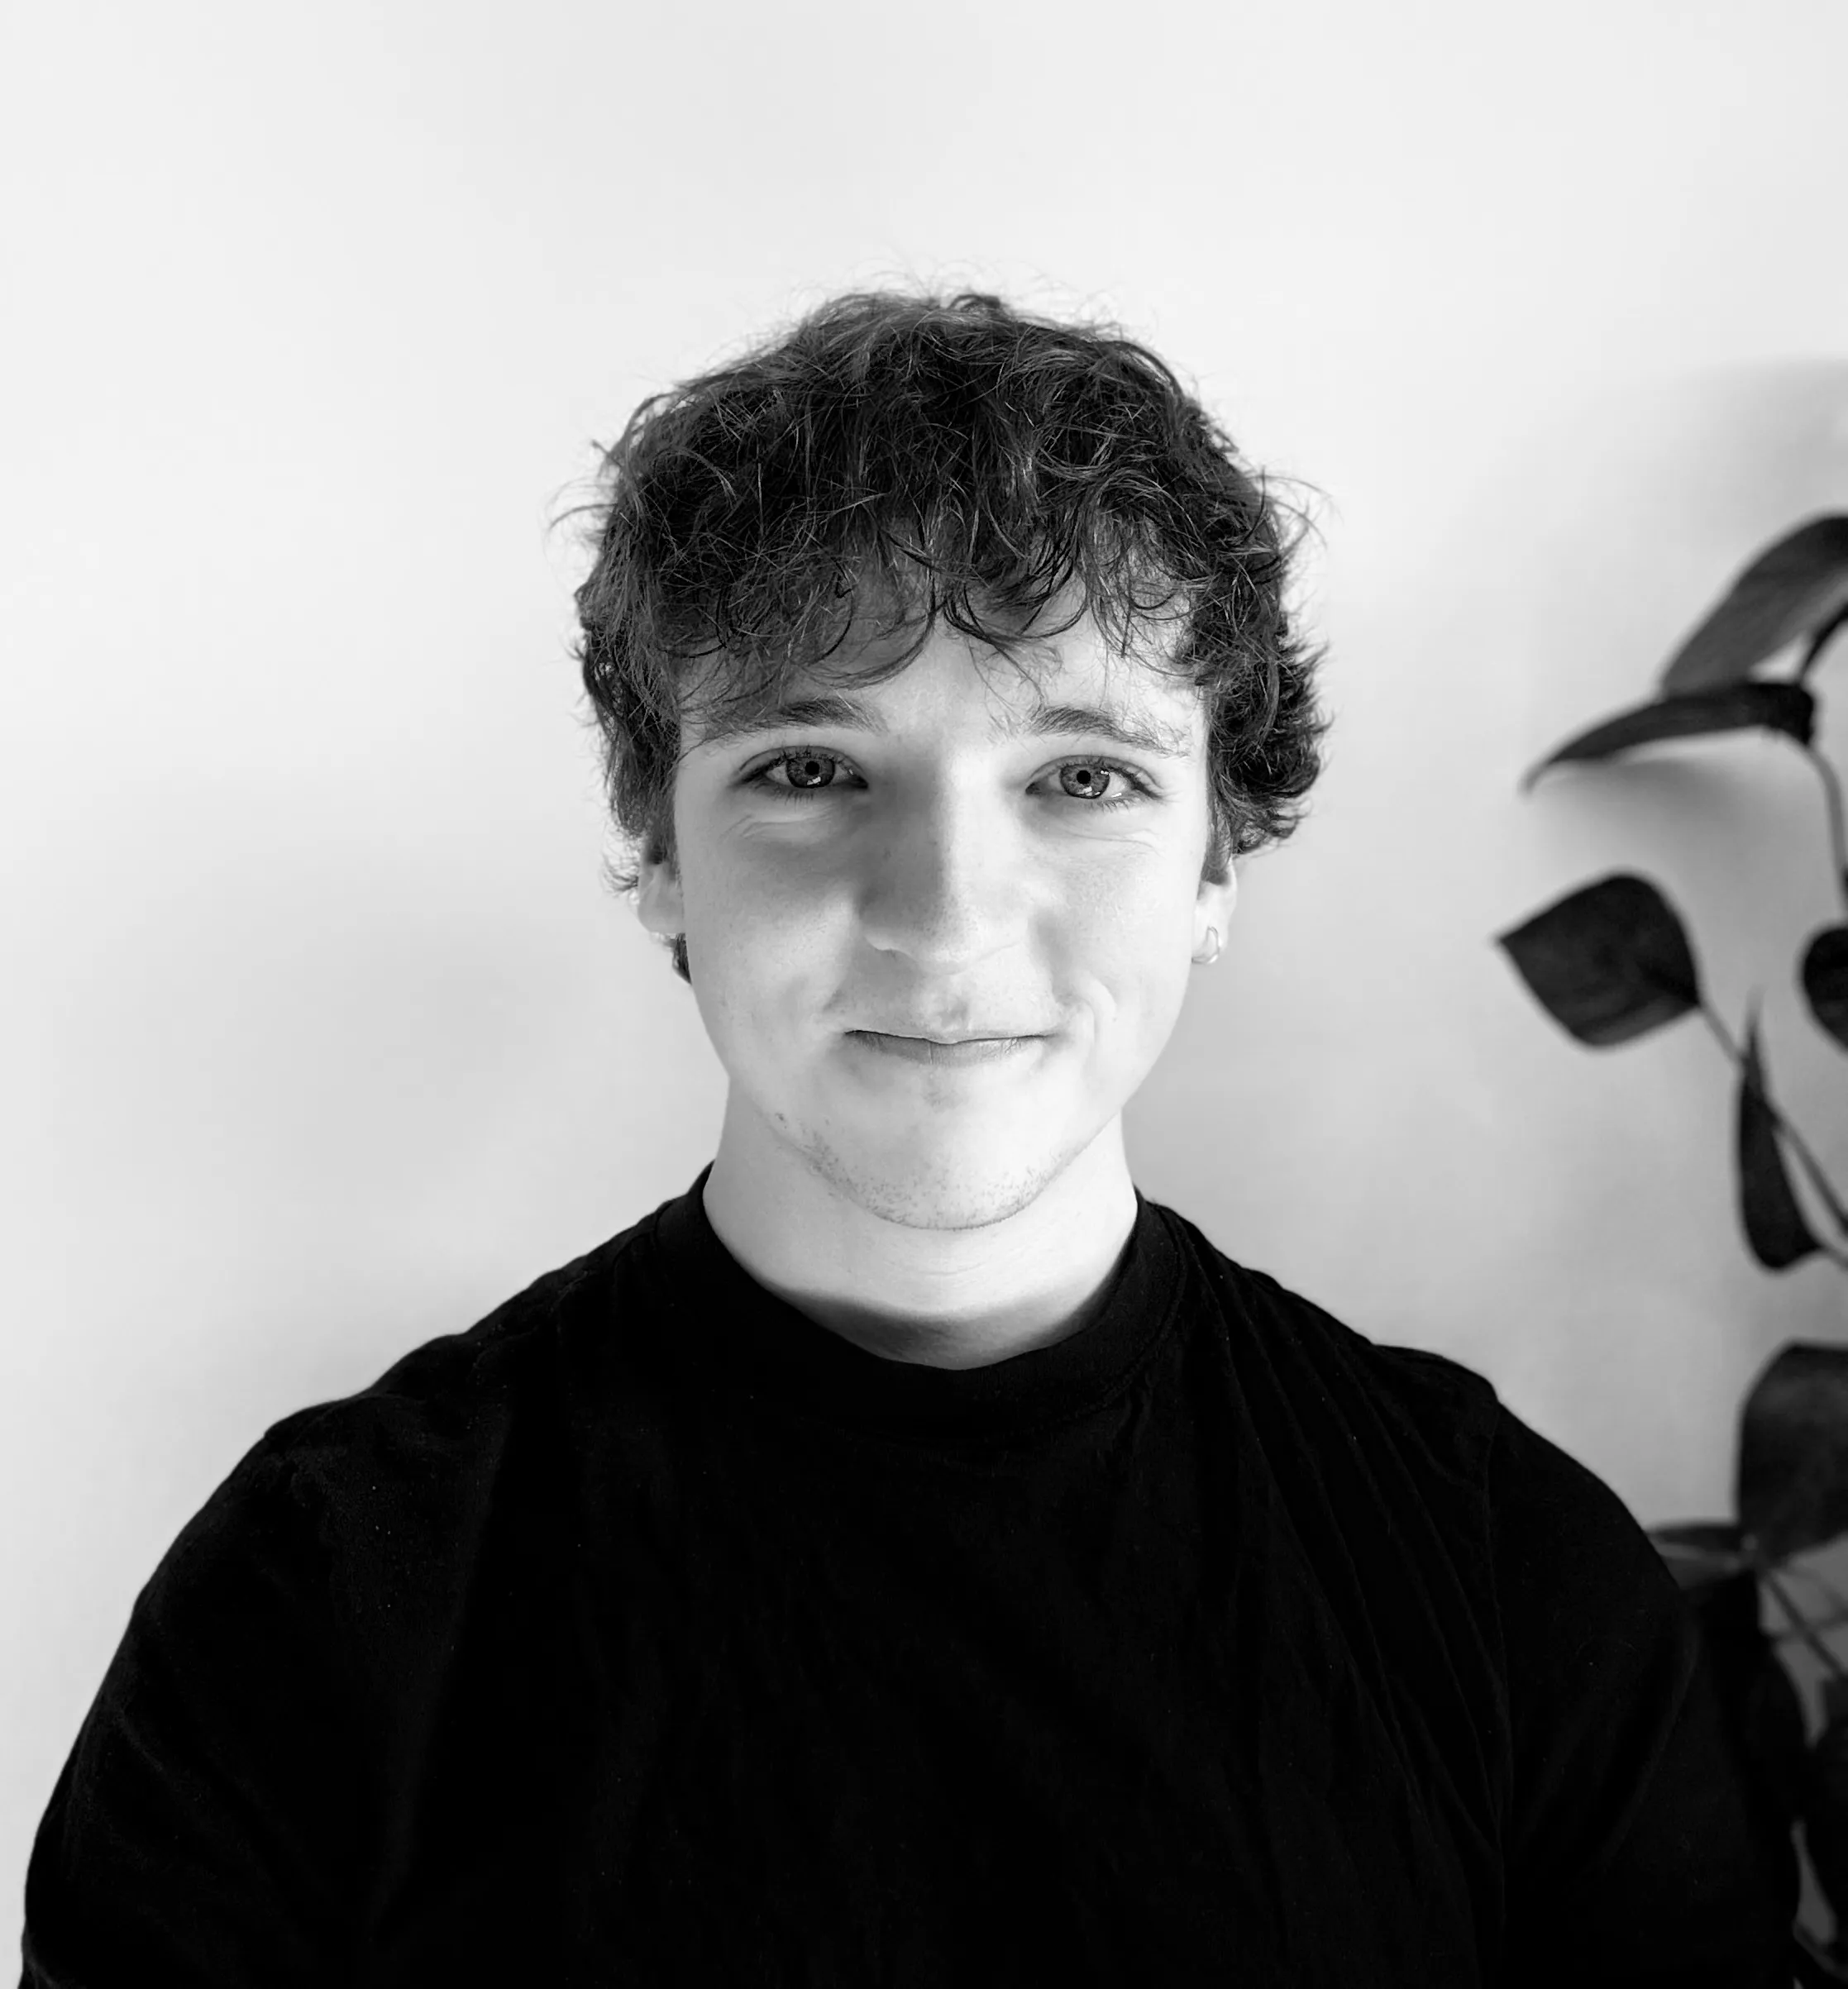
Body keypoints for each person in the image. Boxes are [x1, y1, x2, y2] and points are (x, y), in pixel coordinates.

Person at [20, 289, 1796, 1986]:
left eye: (1078, 778)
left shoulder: (1505, 1585)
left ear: (1215, 863)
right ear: (654, 845)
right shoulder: (324, 1596)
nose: (943, 920)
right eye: (810, 768)